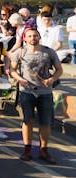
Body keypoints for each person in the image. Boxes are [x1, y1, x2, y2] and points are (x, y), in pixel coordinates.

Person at [9, 28, 62, 163]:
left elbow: (59, 70)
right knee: (28, 121)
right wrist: (20, 79)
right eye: (30, 36)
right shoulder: (20, 52)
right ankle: (27, 149)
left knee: (46, 122)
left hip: (45, 92)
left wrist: (52, 79)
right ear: (25, 38)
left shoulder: (49, 52)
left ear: (39, 37)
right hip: (27, 92)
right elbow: (12, 70)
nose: (33, 38)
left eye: (35, 36)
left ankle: (44, 150)